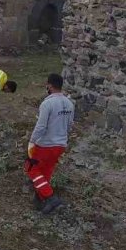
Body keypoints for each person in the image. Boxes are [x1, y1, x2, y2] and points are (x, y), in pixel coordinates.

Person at [26, 73, 75, 215]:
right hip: (60, 145)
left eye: (47, 85)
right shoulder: (69, 104)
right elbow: (70, 124)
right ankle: (41, 199)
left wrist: (32, 141)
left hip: (46, 144)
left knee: (31, 168)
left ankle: (50, 197)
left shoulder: (47, 104)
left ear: (50, 85)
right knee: (46, 171)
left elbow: (41, 126)